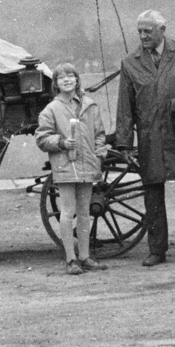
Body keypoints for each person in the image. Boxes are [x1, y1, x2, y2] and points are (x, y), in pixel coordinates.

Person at [115, 10, 175, 266]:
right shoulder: (130, 63)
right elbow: (125, 107)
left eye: (148, 31)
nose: (142, 36)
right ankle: (157, 250)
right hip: (150, 137)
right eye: (139, 31)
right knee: (153, 193)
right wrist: (125, 144)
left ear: (162, 29)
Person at [36, 62, 108, 275]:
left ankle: (85, 256)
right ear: (56, 84)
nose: (66, 80)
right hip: (66, 166)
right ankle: (71, 259)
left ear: (77, 80)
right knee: (67, 212)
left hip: (87, 165)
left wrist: (99, 154)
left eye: (70, 76)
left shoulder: (89, 105)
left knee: (84, 212)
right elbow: (42, 138)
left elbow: (100, 135)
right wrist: (61, 143)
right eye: (61, 78)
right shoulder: (52, 109)